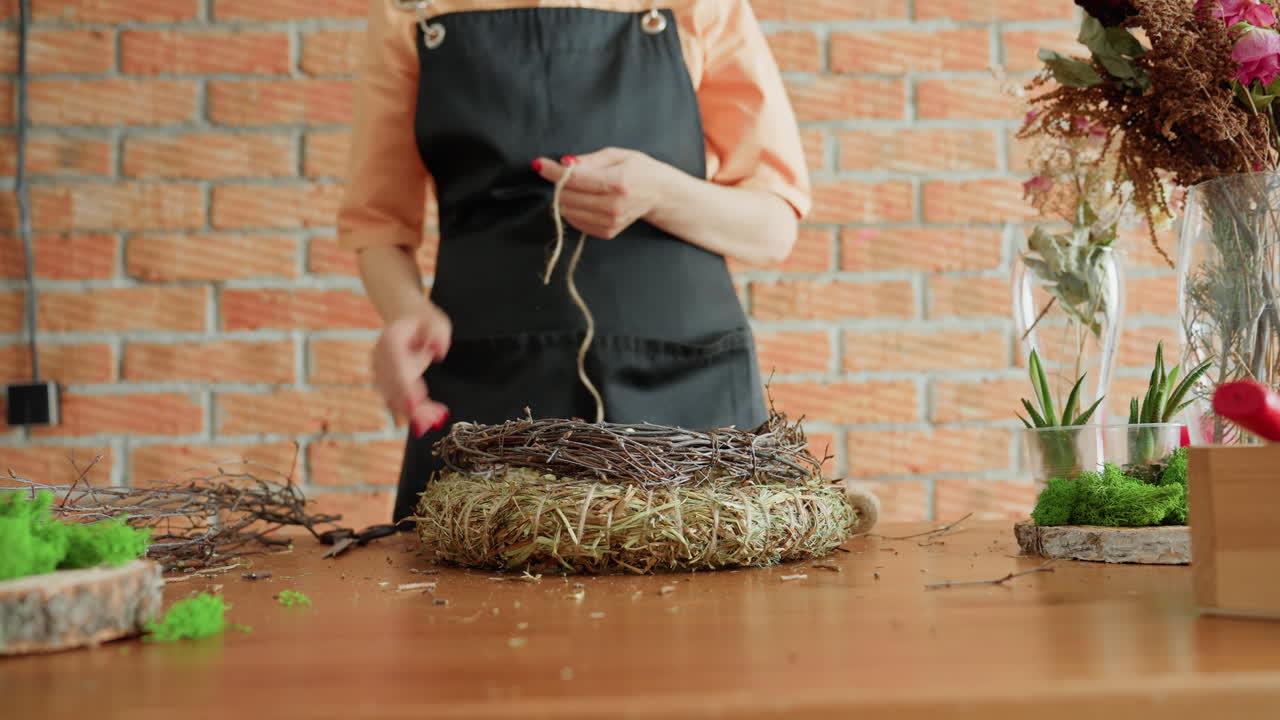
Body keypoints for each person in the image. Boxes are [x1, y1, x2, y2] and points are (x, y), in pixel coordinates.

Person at [337, 0, 811, 526]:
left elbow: (773, 228)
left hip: (689, 406)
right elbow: (380, 228)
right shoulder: (413, 12)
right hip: (488, 407)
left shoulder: (700, 7)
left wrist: (658, 192)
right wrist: (407, 311)